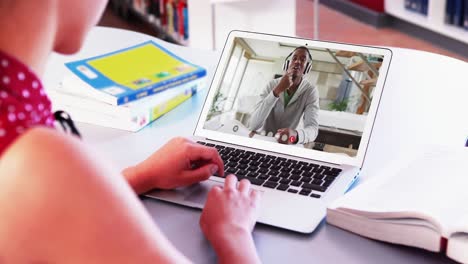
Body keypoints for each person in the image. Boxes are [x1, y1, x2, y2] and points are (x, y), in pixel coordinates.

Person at [0, 0, 261, 263]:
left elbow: (51, 214)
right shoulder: (42, 162)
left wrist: (139, 176)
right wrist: (234, 233)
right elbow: (51, 193)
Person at [248, 47, 319, 145]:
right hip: (263, 141)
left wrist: (296, 135)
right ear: (287, 64)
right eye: (294, 58)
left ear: (307, 68)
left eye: (302, 60)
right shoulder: (271, 85)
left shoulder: (310, 91)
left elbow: (313, 129)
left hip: (287, 145)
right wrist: (277, 91)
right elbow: (253, 124)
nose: (297, 62)